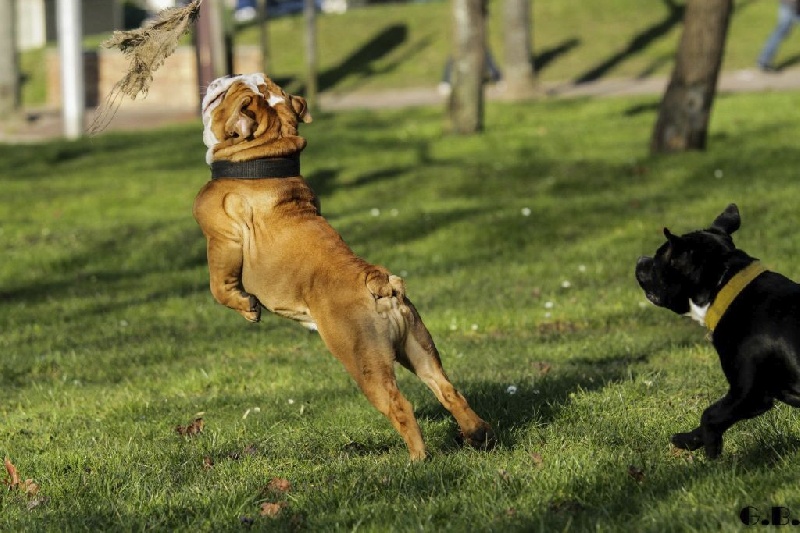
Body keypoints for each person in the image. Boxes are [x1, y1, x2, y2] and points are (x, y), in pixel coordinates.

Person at [757, 0, 800, 72]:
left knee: (779, 33)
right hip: (792, 6)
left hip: (788, 5)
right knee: (780, 33)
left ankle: (763, 60)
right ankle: (764, 60)